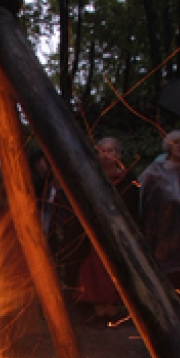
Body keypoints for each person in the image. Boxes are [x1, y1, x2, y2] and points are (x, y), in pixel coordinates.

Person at [139, 129, 180, 312]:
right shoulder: (155, 171)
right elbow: (147, 203)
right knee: (164, 275)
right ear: (168, 145)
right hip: (162, 233)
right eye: (176, 142)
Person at [76, 138, 139, 324]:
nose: (106, 155)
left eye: (111, 150)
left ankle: (113, 312)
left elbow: (132, 207)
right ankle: (98, 312)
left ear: (118, 155)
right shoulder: (91, 176)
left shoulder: (127, 179)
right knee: (95, 270)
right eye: (103, 151)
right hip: (95, 231)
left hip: (118, 232)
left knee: (115, 269)